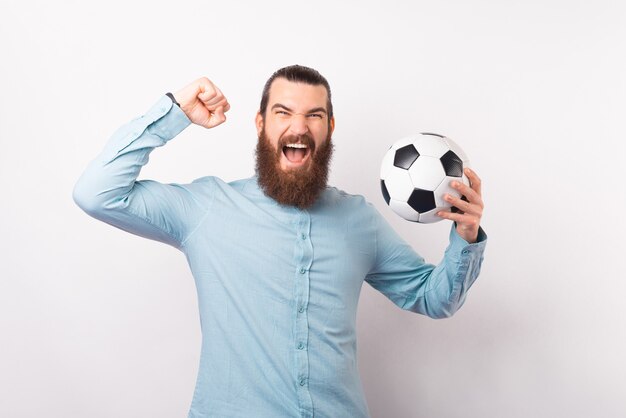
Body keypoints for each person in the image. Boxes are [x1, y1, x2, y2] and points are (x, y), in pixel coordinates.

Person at [73, 65, 487, 418]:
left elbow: (434, 298)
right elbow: (97, 192)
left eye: (314, 115)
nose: (299, 127)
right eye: (283, 112)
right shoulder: (207, 208)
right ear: (261, 123)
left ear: (329, 128)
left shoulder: (358, 219)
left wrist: (466, 237)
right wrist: (175, 113)